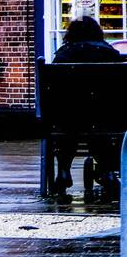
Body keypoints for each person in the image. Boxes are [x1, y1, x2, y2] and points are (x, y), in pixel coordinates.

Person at [51, 15, 125, 199]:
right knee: (101, 128)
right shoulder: (110, 54)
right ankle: (108, 172)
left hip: (70, 118)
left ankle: (63, 171)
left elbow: (54, 93)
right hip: (106, 117)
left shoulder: (62, 56)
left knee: (68, 127)